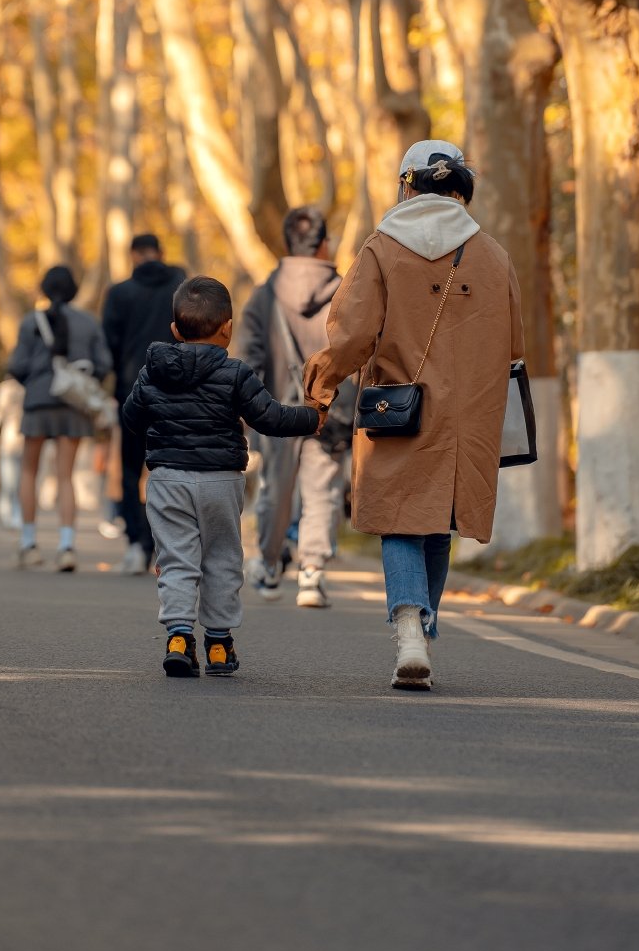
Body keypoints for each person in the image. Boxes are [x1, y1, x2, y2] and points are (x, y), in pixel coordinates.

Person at [304, 141, 524, 691]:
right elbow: (516, 343)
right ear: (460, 189)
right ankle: (423, 628)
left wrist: (320, 385)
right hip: (467, 417)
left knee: (400, 516)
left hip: (399, 409)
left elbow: (352, 333)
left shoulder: (382, 249)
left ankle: (408, 630)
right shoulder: (493, 255)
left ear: (407, 186)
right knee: (437, 522)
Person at [122, 275, 319, 680]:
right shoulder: (235, 374)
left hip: (167, 479)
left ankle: (178, 637)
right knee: (222, 559)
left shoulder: (153, 370)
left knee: (176, 560)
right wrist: (313, 417)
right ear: (228, 327)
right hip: (220, 481)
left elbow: (131, 417)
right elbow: (270, 418)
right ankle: (217, 643)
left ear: (175, 330)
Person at [240, 205, 345, 610]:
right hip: (330, 409)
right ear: (322, 244)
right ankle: (312, 574)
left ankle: (268, 567)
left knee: (275, 490)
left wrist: (252, 410)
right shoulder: (345, 292)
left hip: (275, 410)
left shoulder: (264, 295)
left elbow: (250, 357)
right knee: (323, 491)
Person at [6, 265, 112, 571]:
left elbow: (17, 365)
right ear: (74, 290)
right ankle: (67, 547)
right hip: (73, 405)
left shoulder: (30, 322)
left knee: (29, 471)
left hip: (38, 400)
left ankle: (29, 545)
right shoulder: (89, 323)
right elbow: (102, 363)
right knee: (66, 476)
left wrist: (37, 381)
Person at [102, 233, 186, 575]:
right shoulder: (180, 285)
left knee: (130, 468)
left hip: (131, 391)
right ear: (160, 253)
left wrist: (113, 385)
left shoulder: (119, 293)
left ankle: (137, 543)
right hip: (177, 392)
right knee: (170, 469)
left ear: (134, 255)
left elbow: (109, 345)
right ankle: (167, 546)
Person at [0, 375, 25, 530]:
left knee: (20, 481)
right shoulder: (5, 389)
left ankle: (18, 513)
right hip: (10, 442)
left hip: (27, 441)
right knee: (9, 482)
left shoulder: (29, 386)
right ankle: (8, 513)